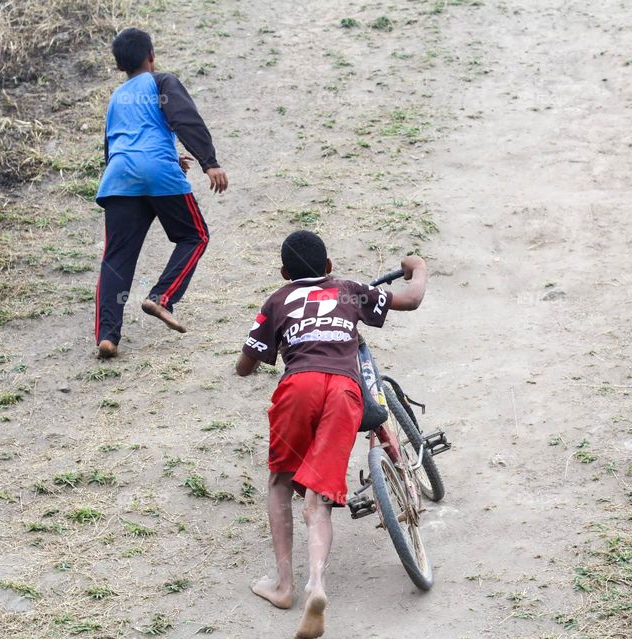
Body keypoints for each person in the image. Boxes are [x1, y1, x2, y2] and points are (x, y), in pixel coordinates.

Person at [235, 230, 427, 638]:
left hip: (298, 387)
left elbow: (245, 366)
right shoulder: (349, 291)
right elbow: (410, 299)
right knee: (319, 498)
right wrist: (418, 268)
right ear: (328, 267)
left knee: (281, 481)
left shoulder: (278, 299)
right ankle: (316, 585)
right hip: (343, 390)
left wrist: (268, 345)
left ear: (285, 272)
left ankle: (284, 585)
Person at [93, 27, 229, 359]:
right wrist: (208, 162)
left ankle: (108, 337)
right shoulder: (161, 82)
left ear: (119, 66)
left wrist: (165, 159)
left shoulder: (116, 97)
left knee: (116, 260)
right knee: (195, 235)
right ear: (151, 56)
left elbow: (117, 143)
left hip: (119, 177)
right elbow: (185, 120)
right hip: (157, 174)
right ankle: (162, 296)